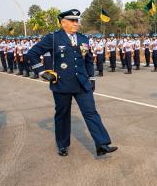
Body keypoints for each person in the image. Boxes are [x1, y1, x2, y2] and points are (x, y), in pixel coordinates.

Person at [27, 9, 117, 157]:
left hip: (82, 83)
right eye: (72, 20)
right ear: (63, 23)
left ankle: (102, 144)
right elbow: (32, 54)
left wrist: (91, 77)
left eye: (77, 20)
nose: (76, 23)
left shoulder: (83, 39)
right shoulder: (53, 38)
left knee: (91, 112)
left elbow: (88, 59)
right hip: (61, 83)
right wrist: (43, 72)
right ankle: (62, 145)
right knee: (62, 114)